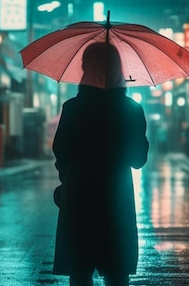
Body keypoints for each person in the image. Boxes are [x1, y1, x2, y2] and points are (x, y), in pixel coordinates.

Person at [52, 42, 150, 286]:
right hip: (116, 202)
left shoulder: (73, 109)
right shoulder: (131, 109)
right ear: (119, 70)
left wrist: (71, 177)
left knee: (80, 274)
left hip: (79, 197)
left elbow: (61, 152)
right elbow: (138, 160)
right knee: (117, 274)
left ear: (85, 69)